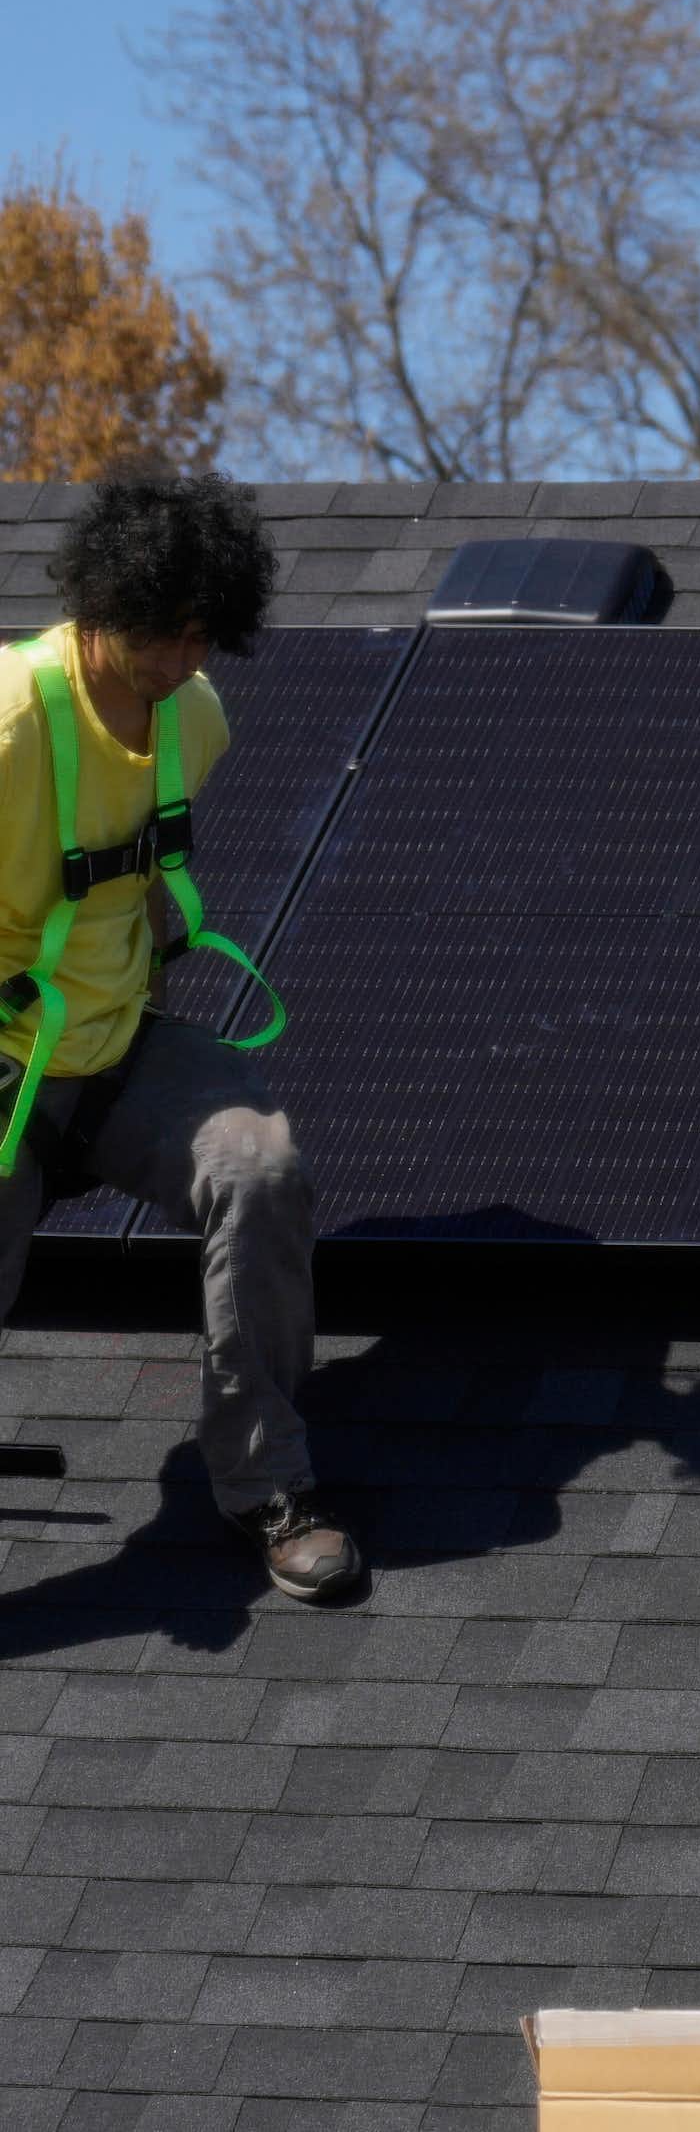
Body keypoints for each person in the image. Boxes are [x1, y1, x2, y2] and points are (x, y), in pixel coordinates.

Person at [0, 476, 361, 1604]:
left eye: (207, 635)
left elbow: (137, 890)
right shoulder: (10, 720)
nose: (186, 659)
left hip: (115, 1043)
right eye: (168, 632)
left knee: (261, 1165)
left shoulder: (193, 715)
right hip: (7, 1053)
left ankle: (266, 1484)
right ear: (103, 603)